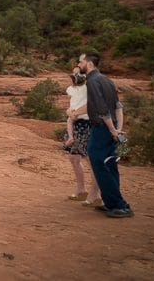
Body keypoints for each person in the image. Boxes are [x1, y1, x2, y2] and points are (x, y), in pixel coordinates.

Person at [77, 51, 133, 218]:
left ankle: (118, 205)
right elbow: (118, 106)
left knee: (98, 163)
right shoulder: (106, 80)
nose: (79, 64)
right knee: (110, 164)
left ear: (90, 64)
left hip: (102, 129)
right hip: (111, 128)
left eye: (81, 62)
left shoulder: (92, 81)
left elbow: (102, 109)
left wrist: (111, 130)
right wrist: (118, 129)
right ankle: (113, 203)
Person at [62, 68, 101, 206]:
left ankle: (96, 194)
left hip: (87, 124)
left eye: (79, 74)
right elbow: (72, 104)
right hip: (75, 123)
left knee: (92, 160)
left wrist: (74, 113)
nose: (75, 76)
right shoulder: (72, 89)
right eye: (74, 74)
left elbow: (91, 104)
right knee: (73, 158)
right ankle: (81, 190)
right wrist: (69, 112)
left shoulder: (90, 87)